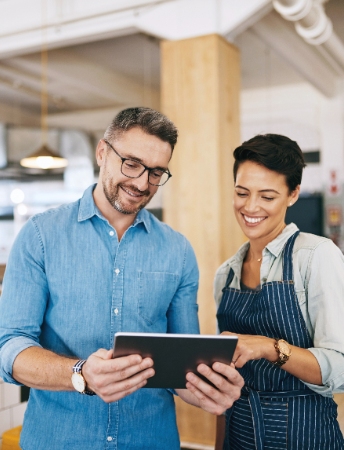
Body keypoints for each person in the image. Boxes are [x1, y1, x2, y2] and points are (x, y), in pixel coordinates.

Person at [0, 107, 243, 450]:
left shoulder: (178, 251)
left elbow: (180, 365)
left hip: (150, 440)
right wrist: (80, 374)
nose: (142, 183)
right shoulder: (40, 236)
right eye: (132, 163)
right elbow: (10, 348)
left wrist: (207, 391)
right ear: (102, 153)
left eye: (157, 172)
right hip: (59, 440)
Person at [214, 134, 344, 449]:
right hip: (238, 434)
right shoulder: (225, 274)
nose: (251, 207)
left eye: (267, 196)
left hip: (305, 434)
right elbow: (224, 379)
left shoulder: (315, 256)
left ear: (293, 194)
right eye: (242, 192)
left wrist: (269, 347)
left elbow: (339, 368)